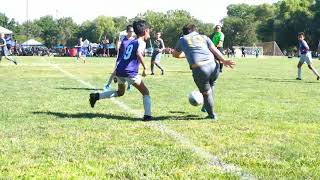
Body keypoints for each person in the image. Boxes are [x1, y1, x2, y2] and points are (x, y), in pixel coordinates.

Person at [90, 20, 152, 121]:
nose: (149, 34)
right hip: (129, 72)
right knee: (145, 92)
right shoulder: (141, 42)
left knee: (120, 92)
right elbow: (138, 53)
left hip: (120, 70)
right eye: (149, 31)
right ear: (145, 31)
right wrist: (145, 68)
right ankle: (148, 116)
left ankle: (96, 96)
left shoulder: (132, 41)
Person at [172, 24, 235, 120]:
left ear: (184, 32)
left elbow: (175, 54)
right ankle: (206, 106)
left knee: (206, 93)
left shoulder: (183, 39)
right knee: (212, 85)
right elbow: (214, 50)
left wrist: (187, 54)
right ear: (195, 30)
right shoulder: (204, 37)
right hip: (214, 65)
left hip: (200, 69)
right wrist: (224, 60)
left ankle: (211, 114)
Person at [104, 25, 135, 91]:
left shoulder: (134, 41)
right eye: (130, 31)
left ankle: (129, 86)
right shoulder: (122, 40)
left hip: (128, 60)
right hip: (121, 59)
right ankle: (108, 85)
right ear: (127, 32)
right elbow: (117, 49)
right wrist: (117, 45)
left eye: (132, 31)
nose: (132, 33)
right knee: (115, 72)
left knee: (129, 73)